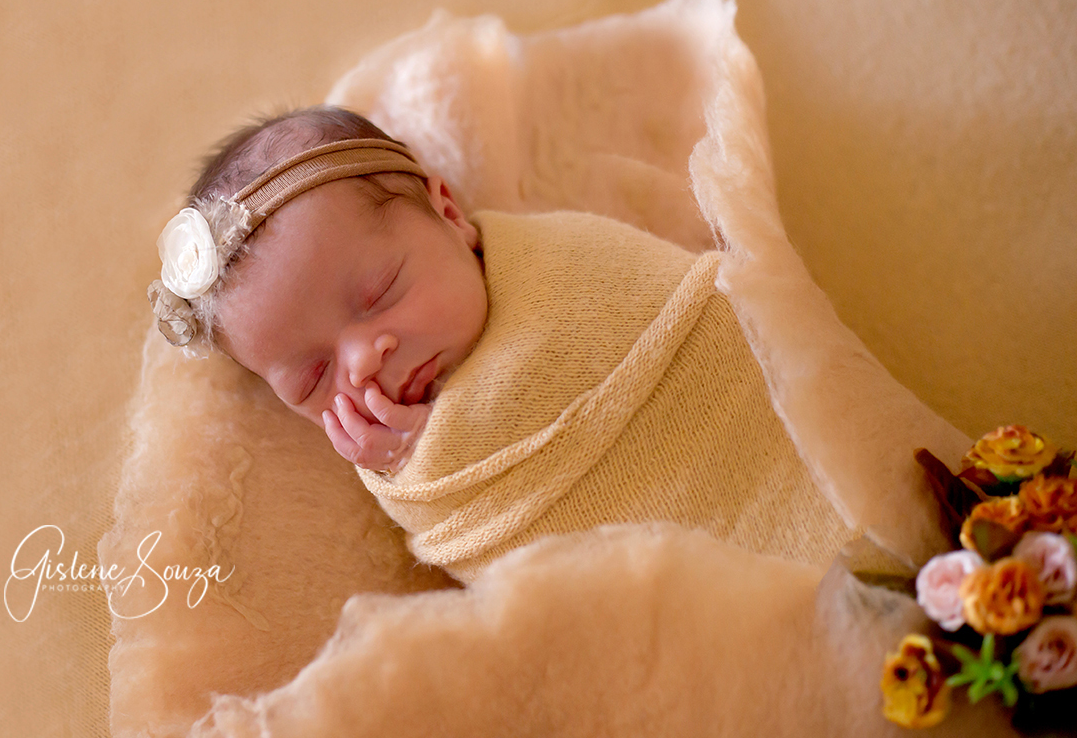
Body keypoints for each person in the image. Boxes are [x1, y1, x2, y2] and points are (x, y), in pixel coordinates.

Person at [148, 104, 860, 583]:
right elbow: (497, 556)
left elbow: (678, 317)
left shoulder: (564, 263)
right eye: (311, 378)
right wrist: (415, 464)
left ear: (450, 215)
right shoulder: (390, 454)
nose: (362, 361)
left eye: (381, 293)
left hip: (784, 477)